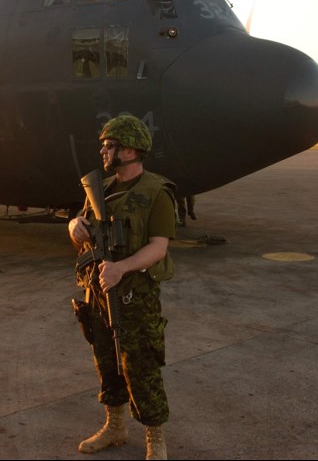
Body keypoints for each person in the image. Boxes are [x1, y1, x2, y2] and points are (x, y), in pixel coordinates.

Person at [68, 114, 176, 460]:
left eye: (110, 145)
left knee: (140, 367)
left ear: (130, 150)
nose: (103, 151)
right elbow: (83, 231)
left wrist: (122, 268)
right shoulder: (101, 189)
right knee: (107, 363)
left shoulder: (156, 192)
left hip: (135, 296)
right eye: (103, 145)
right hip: (98, 293)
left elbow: (159, 247)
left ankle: (155, 439)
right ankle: (115, 427)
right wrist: (74, 226)